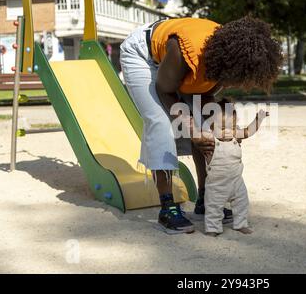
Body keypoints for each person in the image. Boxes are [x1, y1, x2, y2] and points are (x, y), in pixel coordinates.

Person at [120, 16, 282, 234]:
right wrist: (190, 130)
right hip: (143, 55)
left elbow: (203, 95)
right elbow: (165, 90)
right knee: (161, 123)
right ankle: (168, 208)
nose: (241, 84)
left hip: (183, 63)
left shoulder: (226, 61)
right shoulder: (186, 52)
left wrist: (205, 129)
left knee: (205, 124)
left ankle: (206, 199)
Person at [197, 98, 269, 237]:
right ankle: (213, 228)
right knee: (213, 207)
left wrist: (258, 119)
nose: (228, 131)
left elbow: (248, 131)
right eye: (223, 128)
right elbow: (198, 134)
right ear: (210, 128)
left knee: (242, 203)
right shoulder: (211, 142)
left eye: (233, 126)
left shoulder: (235, 136)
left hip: (237, 182)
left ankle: (241, 224)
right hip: (217, 186)